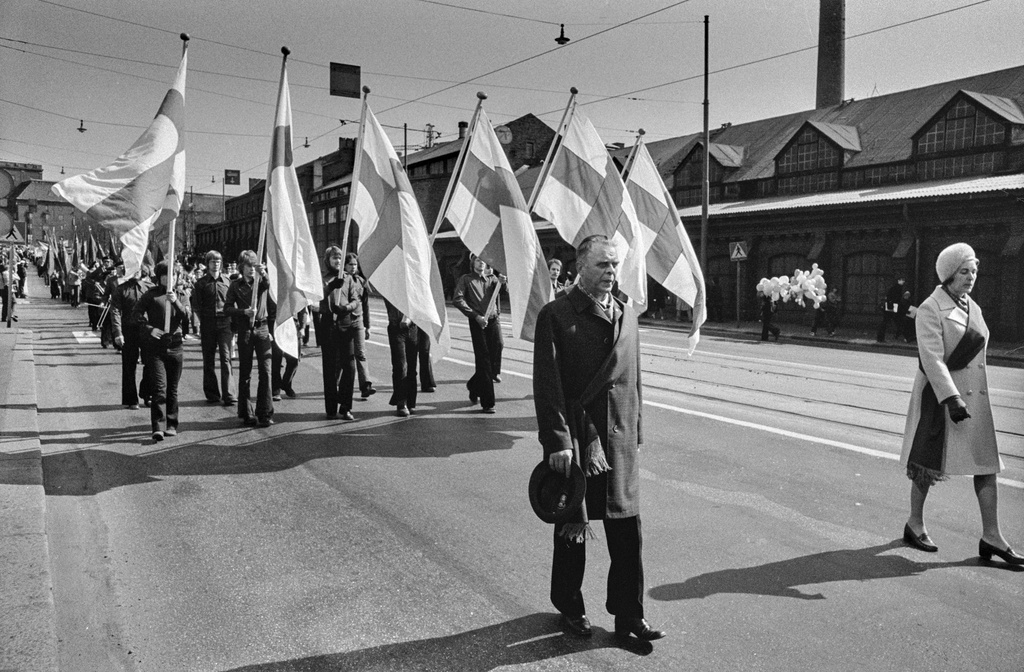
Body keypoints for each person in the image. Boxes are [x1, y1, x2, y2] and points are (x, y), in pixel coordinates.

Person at [532, 234, 666, 643]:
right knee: (574, 525)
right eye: (602, 266)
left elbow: (634, 379)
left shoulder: (627, 314)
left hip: (619, 440)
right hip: (579, 437)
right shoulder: (556, 315)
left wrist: (636, 428)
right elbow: (548, 383)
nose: (611, 273)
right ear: (581, 268)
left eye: (614, 265)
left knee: (627, 531)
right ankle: (570, 605)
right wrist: (558, 440)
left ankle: (630, 616)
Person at [900, 243, 1021, 565]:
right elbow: (931, 358)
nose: (971, 277)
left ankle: (992, 536)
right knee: (926, 465)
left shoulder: (972, 306)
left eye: (974, 271)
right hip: (942, 398)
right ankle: (915, 523)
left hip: (975, 399)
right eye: (964, 271)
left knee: (987, 465)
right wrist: (951, 398)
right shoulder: (930, 308)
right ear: (949, 274)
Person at [133, 261, 187, 441]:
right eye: (164, 275)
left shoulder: (181, 294)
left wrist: (176, 302)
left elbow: (186, 316)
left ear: (177, 276)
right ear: (159, 277)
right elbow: (136, 314)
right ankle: (158, 426)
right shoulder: (151, 295)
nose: (168, 278)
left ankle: (171, 424)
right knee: (159, 388)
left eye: (172, 274)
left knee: (172, 389)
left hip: (175, 345)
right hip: (156, 347)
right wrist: (149, 329)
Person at [224, 250, 275, 428]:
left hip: (262, 328)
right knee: (245, 373)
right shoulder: (235, 286)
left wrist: (264, 272)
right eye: (249, 266)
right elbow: (227, 308)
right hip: (246, 329)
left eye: (254, 266)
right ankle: (246, 413)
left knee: (266, 371)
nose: (252, 269)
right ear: (242, 267)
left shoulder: (261, 282)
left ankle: (265, 412)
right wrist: (243, 312)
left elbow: (268, 283)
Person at [453, 256, 505, 413]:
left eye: (483, 260)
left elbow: (506, 290)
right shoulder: (466, 279)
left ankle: (474, 385)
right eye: (477, 260)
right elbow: (458, 299)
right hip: (478, 322)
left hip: (493, 321)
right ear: (472, 263)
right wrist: (475, 316)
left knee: (498, 347)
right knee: (484, 360)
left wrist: (503, 281)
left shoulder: (492, 278)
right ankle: (488, 403)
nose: (481, 262)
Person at [320, 248, 361, 421]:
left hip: (345, 324)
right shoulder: (321, 278)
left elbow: (355, 300)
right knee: (330, 368)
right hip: (328, 324)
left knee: (349, 366)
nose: (337, 261)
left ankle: (346, 406)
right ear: (327, 260)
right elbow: (317, 300)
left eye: (339, 258)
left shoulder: (348, 278)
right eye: (334, 258)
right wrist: (330, 288)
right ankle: (331, 406)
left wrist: (346, 308)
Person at [192, 250, 235, 406]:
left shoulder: (228, 281)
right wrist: (196, 325)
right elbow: (196, 306)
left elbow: (232, 304)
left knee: (226, 358)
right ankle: (212, 394)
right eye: (212, 261)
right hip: (208, 324)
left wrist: (234, 325)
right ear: (208, 263)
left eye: (218, 261)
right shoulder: (201, 283)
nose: (216, 264)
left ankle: (229, 394)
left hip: (225, 324)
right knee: (208, 360)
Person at [110, 265, 154, 409]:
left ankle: (148, 394)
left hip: (147, 330)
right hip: (128, 330)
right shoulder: (121, 289)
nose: (135, 271)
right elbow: (115, 310)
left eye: (138, 268)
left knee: (151, 363)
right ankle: (131, 399)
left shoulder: (150, 287)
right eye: (132, 267)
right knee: (129, 364)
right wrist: (118, 333)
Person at [346, 254, 376, 399]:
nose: (353, 267)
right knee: (344, 357)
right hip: (343, 322)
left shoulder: (361, 282)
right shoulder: (342, 281)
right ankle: (339, 384)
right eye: (350, 264)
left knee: (361, 353)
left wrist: (368, 326)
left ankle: (366, 386)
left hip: (358, 321)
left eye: (355, 265)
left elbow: (366, 305)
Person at [384, 299, 419, 417]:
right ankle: (401, 402)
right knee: (400, 366)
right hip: (396, 327)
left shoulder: (412, 283)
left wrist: (409, 318)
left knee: (412, 367)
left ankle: (411, 402)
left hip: (412, 327)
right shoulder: (391, 283)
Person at [272, 309, 306, 401]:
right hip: (276, 325)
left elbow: (302, 308)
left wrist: (302, 327)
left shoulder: (294, 293)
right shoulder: (272, 293)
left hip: (293, 326)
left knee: (294, 360)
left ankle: (286, 383)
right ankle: (275, 390)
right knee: (276, 361)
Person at [876, 277, 906, 342]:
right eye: (902, 280)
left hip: (890, 307)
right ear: (898, 281)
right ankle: (900, 336)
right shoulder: (897, 288)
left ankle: (881, 337)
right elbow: (895, 299)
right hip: (892, 308)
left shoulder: (895, 288)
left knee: (888, 322)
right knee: (896, 321)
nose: (903, 282)